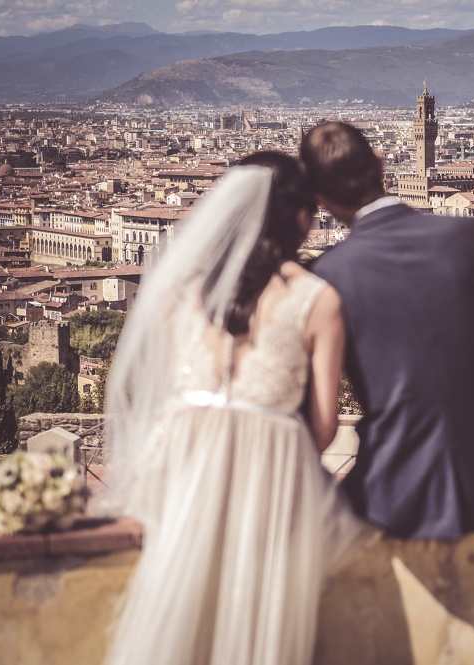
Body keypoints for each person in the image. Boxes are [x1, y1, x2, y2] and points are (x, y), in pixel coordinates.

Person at [103, 151, 369, 665]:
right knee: (259, 621)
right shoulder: (317, 298)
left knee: (180, 610)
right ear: (298, 215)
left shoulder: (176, 292)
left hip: (183, 470)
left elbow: (158, 393)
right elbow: (322, 426)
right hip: (271, 476)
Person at [302, 121, 474, 540]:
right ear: (379, 161)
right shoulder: (470, 237)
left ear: (319, 198)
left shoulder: (328, 274)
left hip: (393, 491)